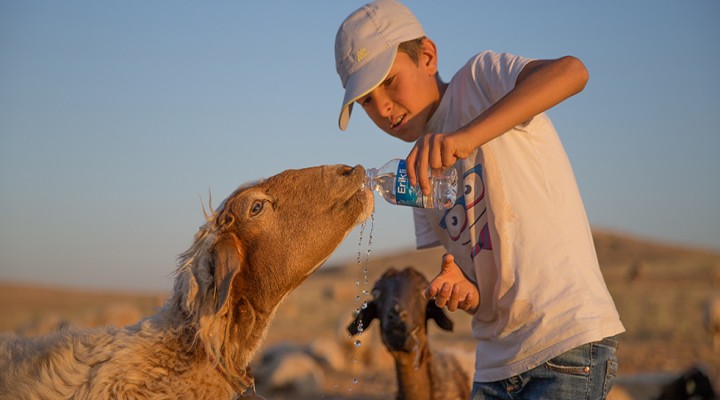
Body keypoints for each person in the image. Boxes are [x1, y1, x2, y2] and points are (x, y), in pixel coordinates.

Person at [334, 1, 625, 399]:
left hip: (564, 343)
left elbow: (573, 72)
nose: (382, 108)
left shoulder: (480, 79)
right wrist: (466, 291)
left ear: (428, 57)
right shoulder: (415, 175)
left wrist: (465, 138)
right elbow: (482, 283)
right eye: (366, 100)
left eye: (388, 81)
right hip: (493, 364)